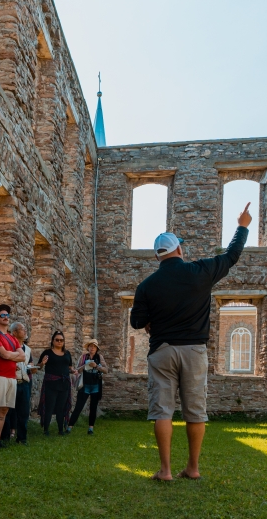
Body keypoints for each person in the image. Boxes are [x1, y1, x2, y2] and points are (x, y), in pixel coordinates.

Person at [131, 203, 252, 481]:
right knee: (195, 411)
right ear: (179, 250)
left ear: (157, 256)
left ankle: (165, 470)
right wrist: (242, 226)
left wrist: (152, 322)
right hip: (195, 351)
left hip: (162, 351)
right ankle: (193, 468)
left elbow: (136, 322)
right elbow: (231, 256)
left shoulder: (146, 285)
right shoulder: (201, 272)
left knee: (163, 410)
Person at [0, 304, 25, 448]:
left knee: (4, 409)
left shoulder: (12, 338)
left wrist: (10, 356)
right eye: (2, 315)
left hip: (11, 377)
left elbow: (23, 357)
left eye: (7, 315)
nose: (6, 317)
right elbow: (4, 354)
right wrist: (12, 355)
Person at [69, 338, 108, 435]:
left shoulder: (100, 357)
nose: (92, 348)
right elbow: (77, 370)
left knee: (93, 407)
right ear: (88, 348)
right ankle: (69, 427)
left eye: (94, 347)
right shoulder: (83, 357)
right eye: (91, 346)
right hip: (84, 385)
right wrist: (85, 366)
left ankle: (91, 428)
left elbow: (106, 370)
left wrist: (96, 366)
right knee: (78, 406)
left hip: (95, 385)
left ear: (97, 348)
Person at [38, 331, 74, 435]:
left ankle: (60, 430)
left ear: (64, 342)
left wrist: (73, 371)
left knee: (61, 407)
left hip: (64, 384)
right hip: (51, 384)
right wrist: (42, 363)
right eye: (57, 340)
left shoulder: (67, 353)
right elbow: (39, 366)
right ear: (53, 341)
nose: (59, 342)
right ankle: (46, 430)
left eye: (61, 340)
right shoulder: (47, 353)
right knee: (49, 406)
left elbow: (69, 367)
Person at [4, 321, 34, 445]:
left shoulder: (27, 349)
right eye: (22, 329)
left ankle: (22, 438)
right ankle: (4, 438)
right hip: (13, 381)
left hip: (25, 382)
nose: (25, 331)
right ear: (15, 332)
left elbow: (30, 363)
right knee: (7, 411)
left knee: (23, 412)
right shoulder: (8, 346)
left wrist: (34, 367)